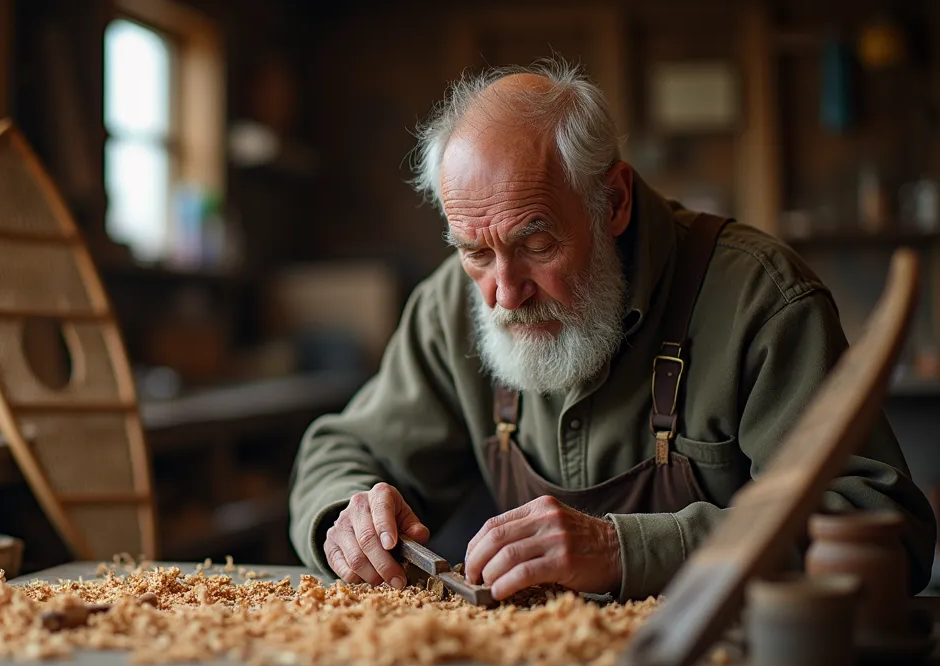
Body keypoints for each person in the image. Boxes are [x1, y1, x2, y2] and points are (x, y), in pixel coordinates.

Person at [287, 57, 937, 602]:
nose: (504, 293)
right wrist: (346, 517)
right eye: (475, 253)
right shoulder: (451, 306)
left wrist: (627, 550)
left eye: (536, 243)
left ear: (614, 201)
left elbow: (879, 525)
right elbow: (338, 453)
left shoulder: (760, 299)